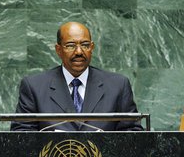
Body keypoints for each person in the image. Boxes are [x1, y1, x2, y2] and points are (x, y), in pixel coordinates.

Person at [10, 22, 143, 131]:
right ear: (58, 50)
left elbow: (133, 133)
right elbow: (21, 134)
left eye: (85, 45)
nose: (79, 52)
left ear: (91, 48)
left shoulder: (118, 85)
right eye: (71, 45)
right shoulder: (34, 86)